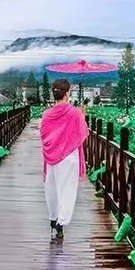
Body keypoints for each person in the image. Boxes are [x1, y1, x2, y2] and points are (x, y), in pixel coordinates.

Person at [40, 79, 88, 240]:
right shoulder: (74, 112)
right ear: (67, 93)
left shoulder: (47, 114)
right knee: (66, 189)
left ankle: (53, 218)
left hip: (51, 156)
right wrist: (82, 114)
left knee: (51, 188)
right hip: (68, 156)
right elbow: (81, 133)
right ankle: (61, 222)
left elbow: (44, 136)